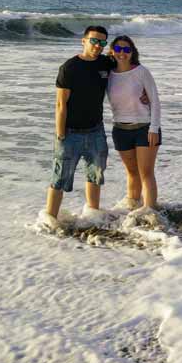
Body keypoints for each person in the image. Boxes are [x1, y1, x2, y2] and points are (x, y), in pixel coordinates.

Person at [42, 25, 113, 227]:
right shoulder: (69, 67)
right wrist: (60, 134)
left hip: (96, 131)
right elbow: (60, 104)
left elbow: (127, 72)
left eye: (102, 42)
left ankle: (93, 217)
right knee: (60, 178)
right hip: (70, 133)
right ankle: (49, 222)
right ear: (84, 40)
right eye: (94, 41)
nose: (98, 45)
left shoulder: (106, 63)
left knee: (96, 174)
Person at [107, 35, 162, 212]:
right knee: (132, 173)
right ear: (112, 51)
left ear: (132, 52)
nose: (122, 53)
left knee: (146, 173)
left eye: (127, 49)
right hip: (120, 129)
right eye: (118, 49)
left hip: (144, 128)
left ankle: (150, 213)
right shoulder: (107, 74)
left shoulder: (141, 71)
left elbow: (155, 100)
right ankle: (133, 209)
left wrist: (154, 128)